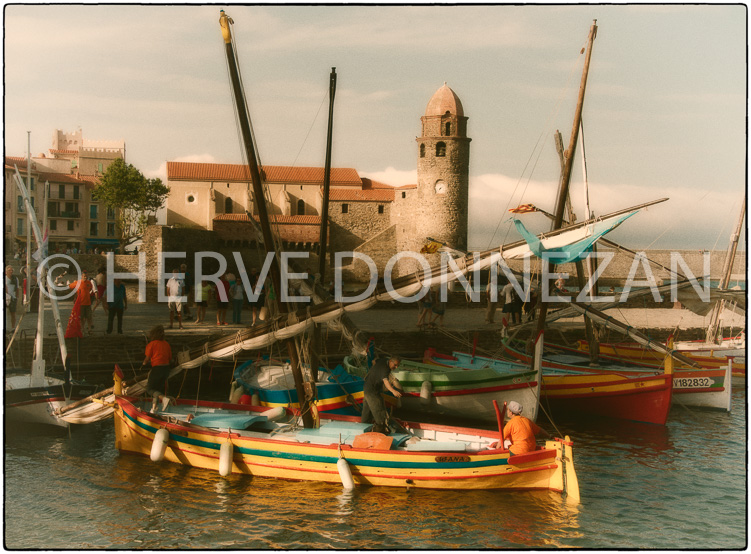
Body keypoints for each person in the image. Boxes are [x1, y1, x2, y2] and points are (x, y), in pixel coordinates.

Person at [361, 355, 404, 434]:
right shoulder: (385, 369)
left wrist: (375, 372)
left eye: (398, 365)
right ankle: (381, 433)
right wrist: (393, 391)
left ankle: (363, 429)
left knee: (367, 412)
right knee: (379, 413)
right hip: (372, 391)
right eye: (395, 365)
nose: (396, 367)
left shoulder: (384, 359)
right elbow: (386, 381)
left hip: (367, 387)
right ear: (391, 361)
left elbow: (375, 361)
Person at [142, 325, 173, 412]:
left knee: (150, 389)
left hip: (157, 369)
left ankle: (164, 399)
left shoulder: (151, 344)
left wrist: (143, 363)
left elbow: (146, 359)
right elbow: (170, 358)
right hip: (166, 369)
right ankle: (154, 408)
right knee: (157, 390)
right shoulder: (166, 344)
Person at [69, 269, 94, 334]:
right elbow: (70, 286)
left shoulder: (89, 283)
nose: (85, 277)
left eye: (86, 276)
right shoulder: (78, 282)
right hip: (81, 303)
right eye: (84, 276)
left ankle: (89, 329)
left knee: (89, 317)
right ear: (81, 276)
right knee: (82, 317)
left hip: (88, 303)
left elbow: (90, 290)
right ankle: (82, 329)